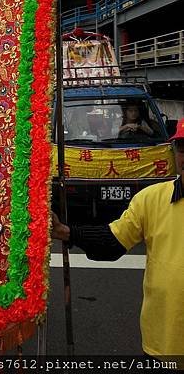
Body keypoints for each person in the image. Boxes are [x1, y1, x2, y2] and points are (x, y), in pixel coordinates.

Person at [52, 117, 184, 357]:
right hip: (164, 343)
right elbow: (112, 243)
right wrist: (64, 231)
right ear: (175, 152)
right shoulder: (152, 198)